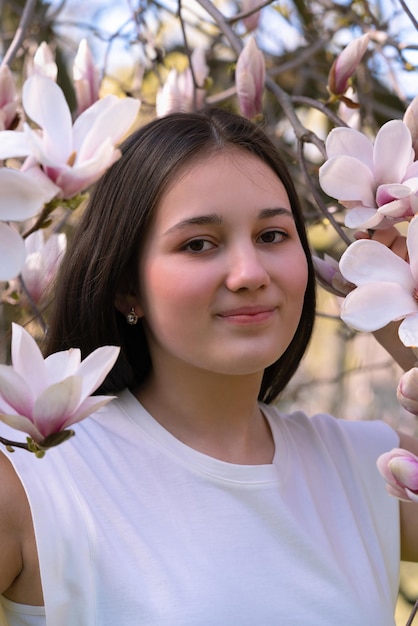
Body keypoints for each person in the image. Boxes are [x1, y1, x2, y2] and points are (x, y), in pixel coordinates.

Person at [0, 107, 417, 626]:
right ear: (128, 285)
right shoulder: (31, 477)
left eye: (272, 236)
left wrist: (406, 318)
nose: (249, 273)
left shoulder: (369, 466)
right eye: (198, 244)